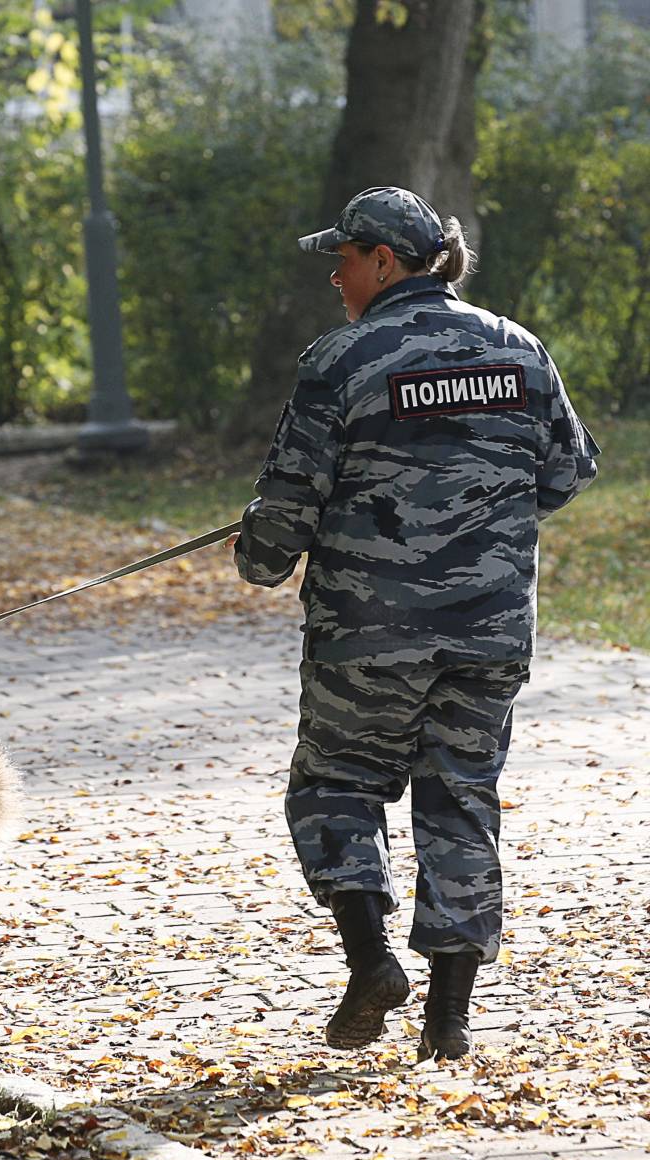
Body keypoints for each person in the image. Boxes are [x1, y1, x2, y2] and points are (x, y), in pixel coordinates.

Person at [228, 186, 599, 1061]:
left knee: (336, 784)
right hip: (490, 634)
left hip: (370, 634)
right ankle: (449, 1021)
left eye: (344, 258)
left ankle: (370, 964)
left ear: (385, 261)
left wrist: (262, 559)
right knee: (461, 801)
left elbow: (287, 504)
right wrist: (483, 513)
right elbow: (567, 471)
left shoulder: (343, 359)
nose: (334, 275)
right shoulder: (518, 347)